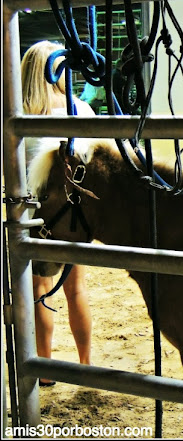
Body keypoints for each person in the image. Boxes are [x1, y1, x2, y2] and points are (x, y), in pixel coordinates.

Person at [21, 40, 94, 386]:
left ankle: (46, 368)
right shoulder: (78, 108)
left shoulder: (19, 115)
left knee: (40, 292)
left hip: (35, 216)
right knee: (76, 291)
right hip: (73, 213)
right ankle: (85, 364)